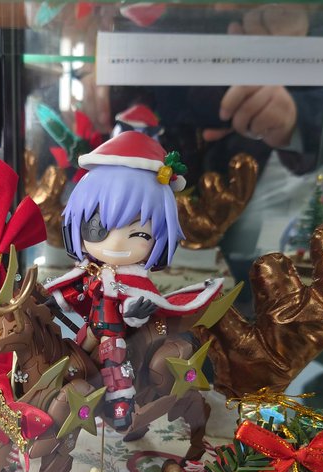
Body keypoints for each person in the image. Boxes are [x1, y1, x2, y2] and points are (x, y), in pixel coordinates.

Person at [45, 131, 223, 430]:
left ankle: (121, 404)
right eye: (99, 228)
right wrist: (55, 301)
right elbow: (77, 289)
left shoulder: (133, 278)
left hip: (115, 332)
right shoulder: (92, 270)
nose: (115, 244)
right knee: (68, 351)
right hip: (91, 328)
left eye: (139, 233)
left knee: (113, 355)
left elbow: (140, 298)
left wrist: (134, 313)